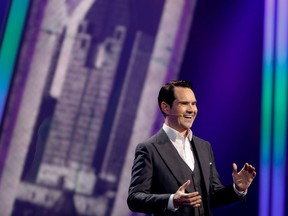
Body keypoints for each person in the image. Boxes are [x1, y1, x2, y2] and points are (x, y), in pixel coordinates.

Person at [127, 80, 256, 216]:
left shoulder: (204, 147)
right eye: (184, 103)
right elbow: (134, 198)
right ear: (165, 107)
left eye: (193, 104)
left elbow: (212, 197)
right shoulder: (149, 149)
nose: (191, 109)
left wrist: (238, 189)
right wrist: (171, 200)